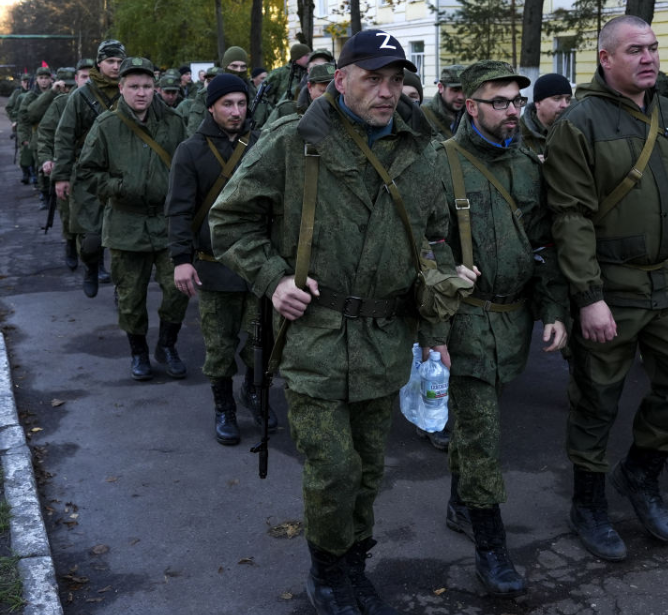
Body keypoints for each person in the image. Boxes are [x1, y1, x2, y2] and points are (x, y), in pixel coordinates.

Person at [209, 29, 468, 615]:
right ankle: (326, 572)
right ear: (340, 77)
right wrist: (274, 279)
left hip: (384, 337)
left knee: (369, 467)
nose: (386, 91)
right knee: (332, 469)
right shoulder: (293, 140)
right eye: (373, 78)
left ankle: (354, 564)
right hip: (315, 337)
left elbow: (433, 240)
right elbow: (229, 223)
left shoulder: (419, 145)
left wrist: (436, 331)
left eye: (395, 79)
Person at [543, 15, 668, 560]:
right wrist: (588, 297)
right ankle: (587, 504)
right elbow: (569, 216)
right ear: (605, 58)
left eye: (654, 49)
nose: (648, 58)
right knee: (596, 400)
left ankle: (640, 473)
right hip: (610, 287)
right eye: (635, 49)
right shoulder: (579, 123)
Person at [435, 60, 568, 598]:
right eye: (500, 102)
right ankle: (492, 550)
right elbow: (419, 242)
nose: (513, 111)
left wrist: (554, 308)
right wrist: (435, 320)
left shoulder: (527, 166)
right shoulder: (438, 164)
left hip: (513, 322)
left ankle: (458, 501)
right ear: (470, 105)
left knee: (474, 427)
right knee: (482, 434)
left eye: (517, 101)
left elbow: (545, 243)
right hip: (465, 323)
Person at [165, 74, 276, 445]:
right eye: (227, 104)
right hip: (213, 265)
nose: (236, 112)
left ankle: (254, 391)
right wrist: (182, 259)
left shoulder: (260, 144)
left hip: (258, 266)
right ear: (211, 106)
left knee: (262, 339)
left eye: (242, 104)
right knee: (219, 344)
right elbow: (179, 211)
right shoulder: (190, 151)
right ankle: (224, 406)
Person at [75, 57, 189, 381]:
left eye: (147, 86)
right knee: (130, 296)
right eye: (134, 86)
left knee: (178, 289)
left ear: (155, 87)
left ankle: (166, 345)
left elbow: (188, 165)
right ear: (122, 87)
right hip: (126, 224)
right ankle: (138, 351)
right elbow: (87, 171)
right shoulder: (106, 126)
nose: (141, 93)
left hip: (167, 224)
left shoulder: (174, 122)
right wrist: (119, 186)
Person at [53, 39, 126, 297]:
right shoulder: (81, 96)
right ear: (99, 63)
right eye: (110, 61)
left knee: (124, 240)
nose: (116, 66)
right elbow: (64, 136)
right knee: (92, 238)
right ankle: (91, 267)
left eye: (119, 61)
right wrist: (61, 176)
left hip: (123, 174)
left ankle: (124, 290)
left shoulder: (130, 91)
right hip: (88, 175)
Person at [35, 67, 80, 268]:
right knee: (69, 213)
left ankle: (96, 263)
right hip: (66, 166)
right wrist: (46, 159)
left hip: (94, 169)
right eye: (66, 86)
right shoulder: (60, 102)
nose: (68, 90)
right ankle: (70, 244)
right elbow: (42, 129)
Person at [519, 72, 572, 159]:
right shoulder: (516, 135)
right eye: (557, 98)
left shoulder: (574, 131)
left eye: (568, 99)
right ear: (538, 103)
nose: (565, 105)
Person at [264, 63, 334, 126]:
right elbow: (264, 136)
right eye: (323, 91)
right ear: (310, 88)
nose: (329, 96)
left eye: (334, 91)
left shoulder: (342, 113)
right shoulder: (285, 110)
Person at [16, 66, 53, 190]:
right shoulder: (30, 96)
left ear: (51, 79)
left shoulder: (56, 92)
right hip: (36, 135)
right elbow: (23, 119)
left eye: (46, 78)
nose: (44, 81)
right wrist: (24, 138)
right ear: (36, 80)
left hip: (54, 135)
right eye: (41, 78)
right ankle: (43, 191)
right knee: (40, 166)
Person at [421, 65, 465, 139]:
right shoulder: (424, 115)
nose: (461, 97)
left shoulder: (472, 116)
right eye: (455, 90)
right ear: (441, 87)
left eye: (464, 91)